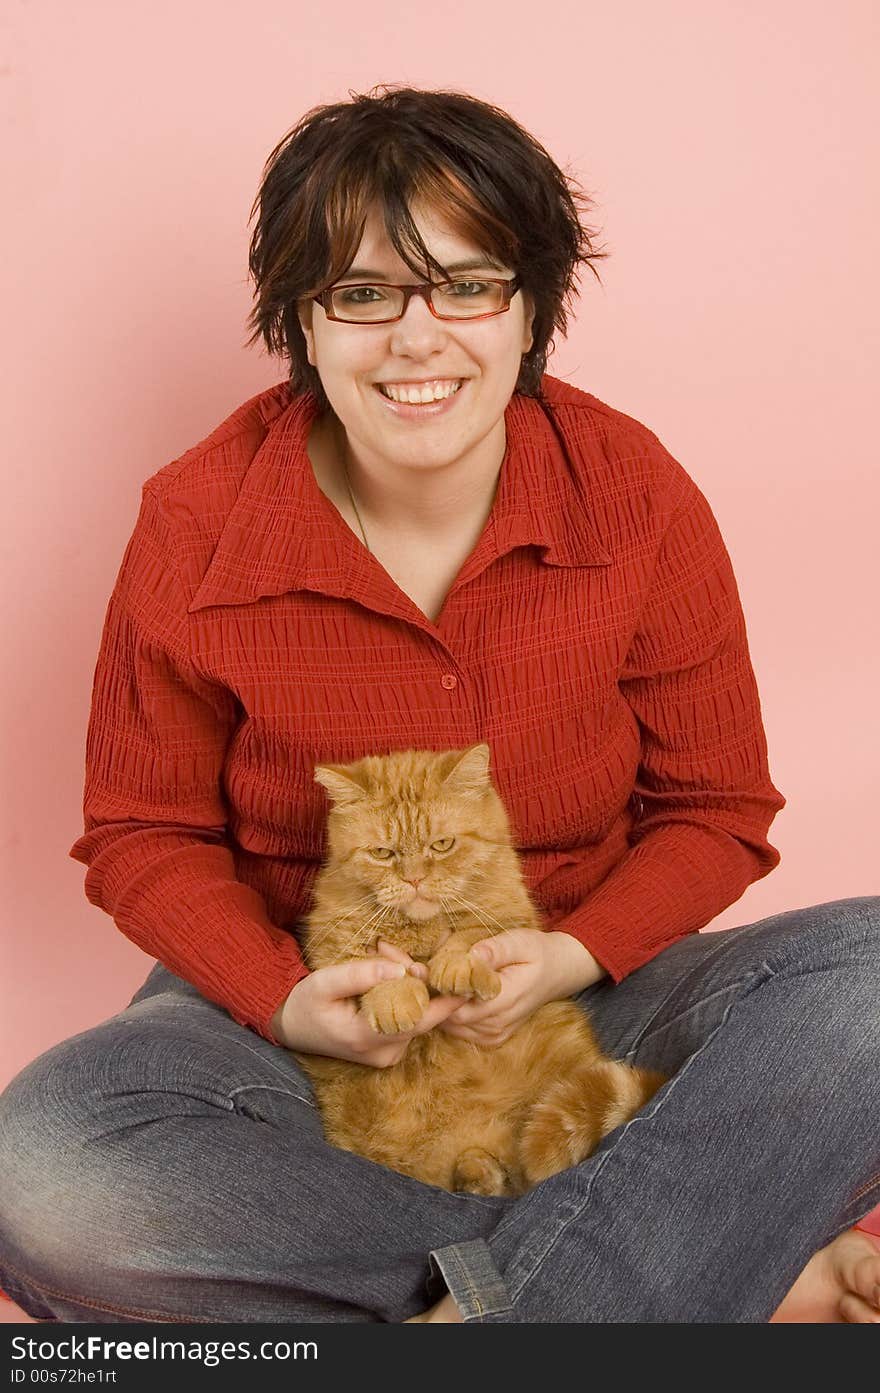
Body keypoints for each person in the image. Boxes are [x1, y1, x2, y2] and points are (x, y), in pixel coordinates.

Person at [0, 84, 878, 1325]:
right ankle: (725, 1271)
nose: (419, 340)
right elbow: (144, 834)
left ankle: (529, 1303)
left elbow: (715, 807)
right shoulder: (195, 518)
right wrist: (287, 993)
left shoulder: (632, 492)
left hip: (585, 999)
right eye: (364, 295)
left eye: (467, 286)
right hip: (294, 1014)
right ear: (303, 322)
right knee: (41, 1168)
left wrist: (570, 954)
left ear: (530, 311)